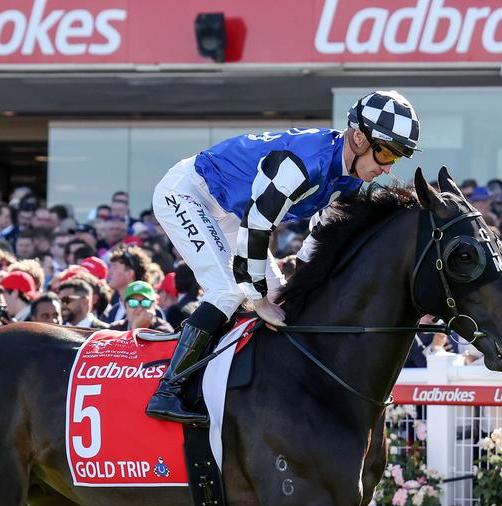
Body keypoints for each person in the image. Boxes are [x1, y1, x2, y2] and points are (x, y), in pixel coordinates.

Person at [146, 89, 421, 425]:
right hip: (188, 193)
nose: (387, 168)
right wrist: (257, 298)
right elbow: (258, 224)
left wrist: (297, 286)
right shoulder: (305, 163)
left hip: (231, 211)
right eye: (385, 154)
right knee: (232, 291)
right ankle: (168, 390)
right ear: (360, 138)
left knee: (280, 299)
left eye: (395, 159)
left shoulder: (348, 179)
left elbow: (319, 239)